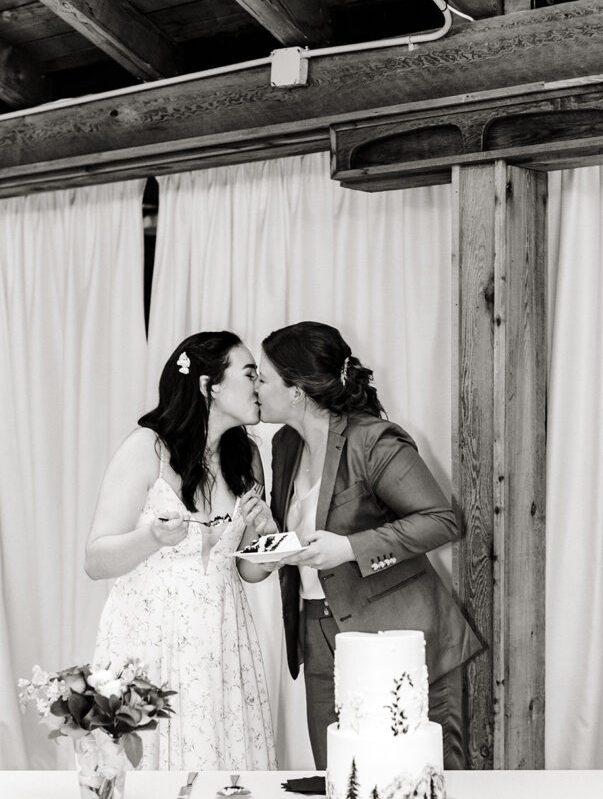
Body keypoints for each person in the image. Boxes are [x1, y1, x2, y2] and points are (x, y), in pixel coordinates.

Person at [245, 321, 484, 770]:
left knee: (415, 782)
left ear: (296, 390)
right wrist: (269, 536)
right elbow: (306, 537)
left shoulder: (372, 440)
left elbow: (440, 521)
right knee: (340, 777)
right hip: (317, 633)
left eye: (262, 376)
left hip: (399, 633)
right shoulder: (283, 446)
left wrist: (351, 547)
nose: (255, 387)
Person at [85, 330, 277, 771]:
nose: (259, 384)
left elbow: (248, 571)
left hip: (225, 636)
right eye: (249, 373)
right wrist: (150, 537)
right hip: (150, 634)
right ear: (210, 386)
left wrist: (267, 536)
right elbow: (94, 561)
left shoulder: (247, 457)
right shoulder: (145, 449)